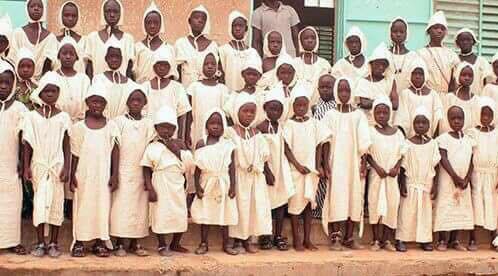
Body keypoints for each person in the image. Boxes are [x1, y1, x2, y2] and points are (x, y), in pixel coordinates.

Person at [22, 71, 71, 258]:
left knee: (56, 202)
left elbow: (67, 144)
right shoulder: (32, 117)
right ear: (40, 93)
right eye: (47, 91)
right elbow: (27, 143)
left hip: (57, 165)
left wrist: (67, 167)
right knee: (40, 203)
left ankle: (54, 243)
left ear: (59, 93)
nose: (50, 94)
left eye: (54, 91)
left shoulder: (64, 117)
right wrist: (26, 166)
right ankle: (40, 242)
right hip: (39, 165)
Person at [69, 81, 120, 258]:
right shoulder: (78, 127)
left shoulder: (111, 126)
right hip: (83, 175)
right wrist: (71, 175)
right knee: (82, 205)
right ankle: (80, 242)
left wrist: (115, 175)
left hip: (103, 175)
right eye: (93, 101)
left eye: (100, 102)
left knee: (101, 206)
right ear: (87, 103)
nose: (97, 105)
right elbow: (74, 153)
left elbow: (115, 150)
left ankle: (99, 242)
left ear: (105, 105)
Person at [321, 77, 371, 251]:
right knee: (337, 198)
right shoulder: (330, 115)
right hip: (336, 163)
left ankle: (349, 237)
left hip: (354, 164)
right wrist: (326, 165)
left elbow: (364, 144)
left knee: (354, 197)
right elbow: (325, 141)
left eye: (347, 91)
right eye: (340, 90)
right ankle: (335, 237)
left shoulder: (359, 115)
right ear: (336, 92)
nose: (343, 94)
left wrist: (363, 164)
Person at [141, 106, 193, 257]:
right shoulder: (152, 145)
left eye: (170, 128)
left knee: (179, 213)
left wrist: (175, 149)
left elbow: (190, 164)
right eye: (162, 127)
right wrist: (150, 188)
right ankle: (162, 245)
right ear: (156, 128)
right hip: (160, 183)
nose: (166, 131)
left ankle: (176, 243)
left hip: (177, 182)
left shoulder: (180, 144)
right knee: (161, 214)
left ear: (175, 129)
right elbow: (146, 167)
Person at [110, 86, 155, 257]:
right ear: (127, 102)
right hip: (123, 169)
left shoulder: (148, 123)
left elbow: (150, 149)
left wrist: (148, 176)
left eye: (139, 100)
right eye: (133, 100)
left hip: (141, 171)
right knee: (122, 206)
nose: (136, 103)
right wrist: (115, 174)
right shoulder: (119, 122)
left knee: (139, 208)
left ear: (145, 103)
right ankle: (120, 242)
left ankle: (136, 243)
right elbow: (116, 147)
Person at [283, 88, 330, 251]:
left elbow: (319, 144)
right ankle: (296, 240)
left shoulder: (313, 123)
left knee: (309, 205)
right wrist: (297, 165)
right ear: (293, 106)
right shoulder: (289, 124)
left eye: (304, 105)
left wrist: (317, 166)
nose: (301, 108)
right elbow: (286, 148)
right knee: (295, 207)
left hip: (310, 172)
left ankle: (307, 240)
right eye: (298, 105)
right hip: (295, 171)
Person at [228, 93, 273, 254]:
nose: (248, 115)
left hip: (255, 177)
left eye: (252, 112)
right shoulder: (230, 133)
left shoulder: (258, 135)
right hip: (239, 177)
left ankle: (248, 239)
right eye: (245, 111)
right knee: (240, 207)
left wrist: (266, 171)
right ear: (236, 111)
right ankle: (237, 240)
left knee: (253, 208)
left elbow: (264, 157)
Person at [191, 109, 239, 255]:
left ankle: (226, 244)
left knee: (225, 213)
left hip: (223, 182)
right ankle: (203, 243)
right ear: (206, 125)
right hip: (207, 181)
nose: (215, 126)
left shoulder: (228, 144)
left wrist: (233, 186)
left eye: (219, 123)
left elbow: (231, 167)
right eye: (212, 123)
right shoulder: (201, 143)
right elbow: (197, 167)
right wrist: (198, 186)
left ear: (224, 126)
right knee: (205, 212)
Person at [396, 106, 441, 252]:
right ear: (413, 124)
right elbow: (403, 167)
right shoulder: (407, 143)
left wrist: (435, 185)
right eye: (417, 122)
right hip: (411, 183)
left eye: (424, 122)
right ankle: (402, 238)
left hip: (426, 183)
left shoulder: (433, 144)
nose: (420, 125)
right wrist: (402, 184)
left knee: (425, 213)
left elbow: (436, 165)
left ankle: (425, 239)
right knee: (407, 212)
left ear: (429, 125)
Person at [366, 97, 405, 252]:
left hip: (391, 176)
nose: (382, 115)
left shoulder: (397, 133)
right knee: (375, 204)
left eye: (385, 112)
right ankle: (375, 239)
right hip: (377, 175)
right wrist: (376, 167)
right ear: (373, 113)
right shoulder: (370, 131)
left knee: (391, 205)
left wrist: (396, 167)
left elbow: (402, 153)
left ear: (390, 113)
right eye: (378, 112)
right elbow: (367, 153)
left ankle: (387, 239)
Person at [256, 90, 294, 251]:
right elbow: (259, 151)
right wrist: (266, 171)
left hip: (280, 169)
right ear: (265, 108)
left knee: (280, 203)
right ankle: (265, 236)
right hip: (267, 170)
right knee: (266, 203)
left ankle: (278, 235)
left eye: (278, 110)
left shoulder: (281, 127)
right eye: (272, 109)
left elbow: (286, 149)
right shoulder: (260, 127)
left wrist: (297, 165)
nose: (275, 112)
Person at [434, 106, 475, 251]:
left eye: (460, 118)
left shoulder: (469, 140)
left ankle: (455, 240)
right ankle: (442, 240)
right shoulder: (443, 139)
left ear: (464, 119)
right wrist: (455, 177)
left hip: (464, 182)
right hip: (448, 181)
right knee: (446, 207)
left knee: (460, 209)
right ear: (448, 120)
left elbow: (471, 160)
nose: (457, 121)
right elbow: (443, 159)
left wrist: (467, 178)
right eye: (453, 118)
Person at [0, 61, 28, 255]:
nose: (2, 86)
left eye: (7, 83)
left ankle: (12, 240)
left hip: (11, 164)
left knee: (12, 202)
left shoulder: (20, 109)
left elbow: (25, 139)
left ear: (13, 85)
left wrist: (23, 163)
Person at [467, 97, 498, 251]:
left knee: (493, 204)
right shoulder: (473, 132)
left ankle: (495, 237)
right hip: (477, 173)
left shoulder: (497, 133)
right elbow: (470, 155)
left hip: (493, 174)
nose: (485, 118)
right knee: (475, 203)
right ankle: (473, 238)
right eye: (483, 114)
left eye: (489, 115)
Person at [144, 45, 191, 140]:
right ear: (153, 65)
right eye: (159, 64)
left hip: (171, 138)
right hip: (148, 138)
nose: (162, 68)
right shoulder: (145, 87)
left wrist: (180, 139)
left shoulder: (177, 88)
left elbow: (182, 115)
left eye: (165, 65)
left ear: (171, 66)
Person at [187, 51, 229, 149]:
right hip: (197, 128)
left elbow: (226, 115)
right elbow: (188, 114)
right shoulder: (194, 87)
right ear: (200, 65)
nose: (210, 66)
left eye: (213, 64)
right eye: (206, 64)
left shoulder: (222, 88)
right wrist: (186, 133)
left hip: (217, 131)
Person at [85, 0, 134, 79]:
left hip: (121, 88)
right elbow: (89, 67)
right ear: (103, 13)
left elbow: (129, 69)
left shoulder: (128, 39)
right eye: (108, 11)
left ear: (121, 13)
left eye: (116, 11)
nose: (112, 15)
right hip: (98, 88)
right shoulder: (92, 38)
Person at [394, 57, 443, 138]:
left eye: (420, 74)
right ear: (410, 74)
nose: (417, 76)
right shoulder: (405, 93)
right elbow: (401, 119)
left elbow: (437, 118)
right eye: (414, 73)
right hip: (410, 139)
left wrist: (434, 138)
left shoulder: (433, 94)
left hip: (429, 139)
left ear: (425, 75)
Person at [92, 35, 137, 119]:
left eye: (117, 57)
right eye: (111, 56)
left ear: (122, 59)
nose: (114, 59)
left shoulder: (130, 84)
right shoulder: (98, 79)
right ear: (106, 58)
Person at [12, 0, 57, 80]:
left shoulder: (51, 37)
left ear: (44, 10)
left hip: (42, 83)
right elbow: (12, 59)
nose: (36, 8)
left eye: (40, 6)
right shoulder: (18, 33)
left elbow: (50, 64)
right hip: (19, 83)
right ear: (27, 9)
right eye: (32, 6)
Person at [417, 11, 459, 96]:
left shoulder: (451, 54)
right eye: (436, 28)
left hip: (446, 97)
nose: (439, 31)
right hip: (426, 97)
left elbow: (454, 82)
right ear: (429, 31)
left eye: (442, 28)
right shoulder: (420, 54)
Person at [311, 74, 336, 219]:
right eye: (322, 87)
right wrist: (319, 161)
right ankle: (318, 211)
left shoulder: (337, 108)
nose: (325, 90)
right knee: (320, 183)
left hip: (334, 151)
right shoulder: (315, 108)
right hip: (319, 151)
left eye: (329, 87)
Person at [134, 1, 177, 84]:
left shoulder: (169, 48)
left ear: (161, 24)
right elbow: (132, 74)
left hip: (163, 93)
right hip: (141, 91)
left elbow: (172, 77)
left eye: (156, 22)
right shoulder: (137, 47)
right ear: (144, 24)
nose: (152, 26)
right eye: (149, 22)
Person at [175, 5, 218, 88]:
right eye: (196, 18)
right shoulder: (181, 43)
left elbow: (215, 73)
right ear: (189, 21)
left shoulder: (213, 46)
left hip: (206, 92)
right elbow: (176, 72)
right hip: (185, 92)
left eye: (203, 19)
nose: (200, 20)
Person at [356, 42, 398, 125]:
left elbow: (395, 104)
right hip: (367, 124)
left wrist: (372, 101)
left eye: (384, 64)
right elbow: (364, 103)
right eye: (378, 64)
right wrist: (386, 100)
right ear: (371, 64)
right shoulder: (363, 81)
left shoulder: (390, 81)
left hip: (386, 124)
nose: (381, 67)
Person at [219, 11, 259, 91]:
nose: (237, 28)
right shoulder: (223, 50)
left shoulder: (253, 52)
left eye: (240, 26)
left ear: (246, 28)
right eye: (235, 26)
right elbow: (220, 75)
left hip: (248, 96)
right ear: (230, 27)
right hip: (229, 93)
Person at [56, 36, 91, 122]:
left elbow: (88, 104)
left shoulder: (84, 79)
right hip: (58, 122)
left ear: (77, 57)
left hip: (80, 123)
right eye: (64, 53)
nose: (68, 56)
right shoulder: (52, 77)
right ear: (58, 56)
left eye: (71, 54)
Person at [439, 62, 480, 134]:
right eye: (464, 75)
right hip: (452, 139)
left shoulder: (477, 100)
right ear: (458, 75)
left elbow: (478, 123)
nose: (467, 78)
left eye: (470, 75)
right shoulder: (449, 98)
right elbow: (444, 123)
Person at [224, 55, 266, 125]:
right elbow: (229, 116)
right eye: (249, 74)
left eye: (255, 74)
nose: (251, 77)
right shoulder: (234, 95)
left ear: (260, 76)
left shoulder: (263, 95)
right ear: (243, 74)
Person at [293, 26, 331, 95]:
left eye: (313, 38)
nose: (310, 40)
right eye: (306, 38)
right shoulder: (294, 63)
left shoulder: (324, 64)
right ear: (300, 41)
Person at [454, 28, 491, 95]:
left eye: (468, 40)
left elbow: (487, 84)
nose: (465, 42)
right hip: (457, 101)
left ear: (473, 42)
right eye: (462, 40)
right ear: (457, 43)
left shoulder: (482, 62)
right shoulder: (453, 61)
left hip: (477, 100)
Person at [388, 17, 419, 95]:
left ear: (406, 33)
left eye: (401, 32)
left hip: (407, 99)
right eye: (395, 31)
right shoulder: (384, 54)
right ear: (390, 33)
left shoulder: (413, 56)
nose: (398, 34)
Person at [56, 1, 87, 74]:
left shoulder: (85, 41)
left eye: (74, 16)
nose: (70, 18)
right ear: (61, 16)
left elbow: (88, 66)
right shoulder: (53, 40)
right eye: (66, 15)